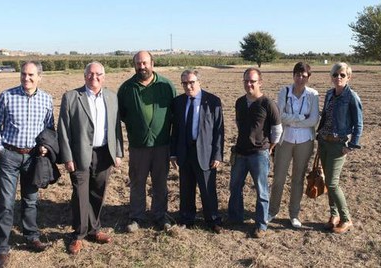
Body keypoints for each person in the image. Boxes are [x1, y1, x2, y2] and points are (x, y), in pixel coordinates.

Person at [0, 61, 54, 268]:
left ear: (39, 77)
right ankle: (2, 248)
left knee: (31, 200)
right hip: (10, 156)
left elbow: (49, 130)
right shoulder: (7, 96)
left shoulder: (46, 99)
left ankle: (31, 236)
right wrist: (0, 149)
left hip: (33, 158)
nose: (27, 78)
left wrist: (45, 147)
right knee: (6, 203)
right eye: (24, 74)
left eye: (31, 75)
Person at [57, 61, 123, 254]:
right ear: (84, 75)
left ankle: (94, 230)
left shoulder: (111, 97)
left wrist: (118, 152)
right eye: (90, 74)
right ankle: (78, 234)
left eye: (98, 74)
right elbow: (63, 129)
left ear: (104, 76)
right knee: (80, 194)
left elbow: (116, 127)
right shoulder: (71, 97)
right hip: (79, 155)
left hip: (104, 153)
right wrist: (67, 157)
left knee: (98, 192)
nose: (94, 77)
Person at [118, 51, 176, 232]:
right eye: (138, 63)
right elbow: (122, 116)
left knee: (160, 182)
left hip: (162, 145)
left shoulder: (166, 86)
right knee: (137, 182)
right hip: (138, 146)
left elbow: (174, 114)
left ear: (152, 63)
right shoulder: (127, 88)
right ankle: (137, 216)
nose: (141, 67)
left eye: (144, 63)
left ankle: (160, 215)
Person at [227, 68, 282, 238]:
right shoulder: (239, 102)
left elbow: (277, 130)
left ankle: (261, 224)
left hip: (259, 154)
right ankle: (236, 218)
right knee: (235, 187)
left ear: (260, 82)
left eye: (252, 81)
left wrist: (269, 147)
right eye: (246, 81)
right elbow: (239, 123)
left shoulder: (268, 104)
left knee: (261, 190)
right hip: (241, 152)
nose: (249, 84)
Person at [170, 70, 224, 233]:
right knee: (186, 187)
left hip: (206, 153)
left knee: (208, 189)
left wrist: (217, 154)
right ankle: (187, 218)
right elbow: (175, 130)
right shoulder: (178, 102)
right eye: (184, 83)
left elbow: (219, 130)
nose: (188, 86)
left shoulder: (213, 101)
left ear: (199, 82)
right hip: (184, 151)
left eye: (191, 82)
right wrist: (173, 153)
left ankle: (213, 220)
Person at [268, 62, 320, 228]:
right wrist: (301, 118)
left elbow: (314, 120)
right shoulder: (284, 91)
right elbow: (280, 117)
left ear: (308, 77)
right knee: (279, 177)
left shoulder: (313, 95)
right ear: (293, 75)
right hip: (285, 140)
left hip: (305, 141)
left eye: (304, 76)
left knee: (298, 179)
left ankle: (294, 214)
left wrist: (294, 119)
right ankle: (272, 210)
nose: (300, 78)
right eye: (298, 75)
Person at [317, 62, 363, 234]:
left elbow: (358, 124)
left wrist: (350, 146)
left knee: (333, 183)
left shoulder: (352, 97)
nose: (338, 78)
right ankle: (333, 215)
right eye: (335, 74)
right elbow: (327, 117)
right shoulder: (330, 94)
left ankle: (346, 219)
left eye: (342, 75)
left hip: (338, 145)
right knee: (329, 181)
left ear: (348, 77)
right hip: (324, 142)